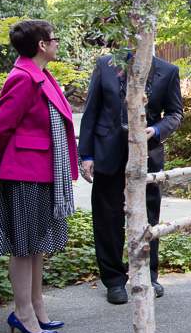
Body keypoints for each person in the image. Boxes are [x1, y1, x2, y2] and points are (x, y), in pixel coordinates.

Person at [0, 19, 78, 333]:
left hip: (42, 171)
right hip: (24, 172)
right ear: (41, 45)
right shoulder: (23, 78)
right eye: (54, 39)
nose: (56, 43)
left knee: (36, 245)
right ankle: (22, 313)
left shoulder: (41, 75)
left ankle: (36, 306)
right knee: (24, 247)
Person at [78, 51, 183, 304]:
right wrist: (87, 155)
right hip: (107, 152)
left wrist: (156, 129)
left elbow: (175, 114)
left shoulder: (168, 71)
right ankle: (114, 280)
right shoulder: (105, 64)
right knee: (107, 217)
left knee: (149, 218)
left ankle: (149, 275)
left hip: (148, 155)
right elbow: (91, 111)